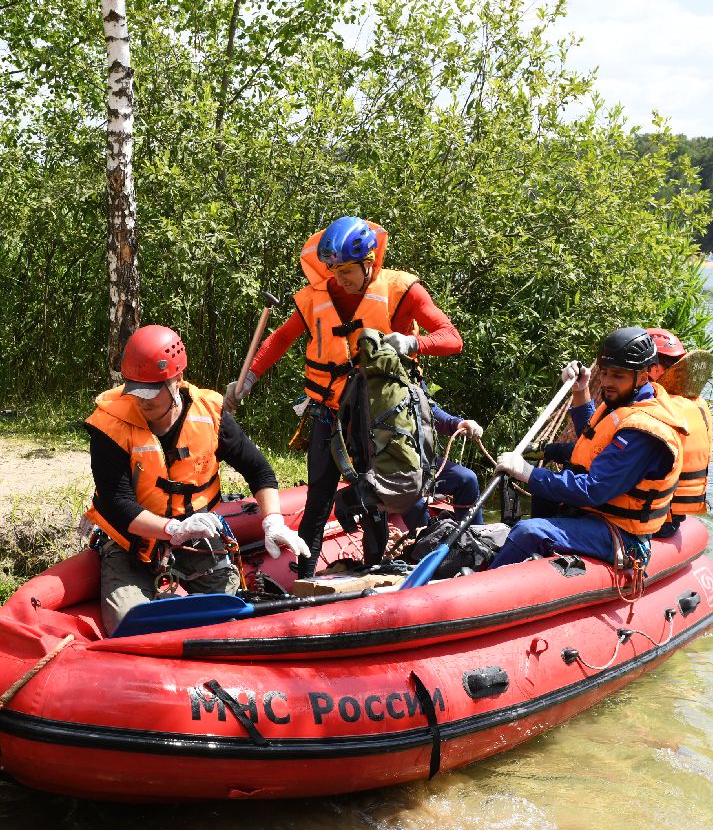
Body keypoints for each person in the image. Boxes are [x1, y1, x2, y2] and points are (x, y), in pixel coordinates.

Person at [225, 217, 463, 576]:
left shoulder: (403, 290)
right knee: (318, 498)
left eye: (347, 270)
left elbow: (451, 337)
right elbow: (280, 339)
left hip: (379, 415)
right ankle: (304, 578)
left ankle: (375, 570)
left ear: (370, 263)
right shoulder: (318, 295)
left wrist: (414, 342)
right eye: (333, 268)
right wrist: (250, 376)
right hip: (327, 410)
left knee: (375, 499)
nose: (339, 277)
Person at [85, 324, 310, 633]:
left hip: (194, 534)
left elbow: (259, 470)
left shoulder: (210, 413)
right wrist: (171, 528)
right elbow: (117, 504)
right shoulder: (109, 424)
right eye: (135, 391)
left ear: (176, 380)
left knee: (225, 614)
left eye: (150, 392)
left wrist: (272, 521)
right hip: (133, 542)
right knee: (128, 624)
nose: (142, 400)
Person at [486, 327, 686, 570]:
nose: (607, 382)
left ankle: (484, 585)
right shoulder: (628, 402)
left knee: (530, 531)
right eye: (605, 373)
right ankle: (524, 564)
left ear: (643, 376)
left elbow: (594, 490)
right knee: (545, 495)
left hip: (623, 535)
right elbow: (591, 440)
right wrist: (580, 391)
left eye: (618, 375)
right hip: (596, 516)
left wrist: (528, 473)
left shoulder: (643, 432)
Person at [645, 327, 712, 535]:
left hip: (653, 520)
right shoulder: (696, 403)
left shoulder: (659, 408)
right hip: (672, 515)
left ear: (655, 369)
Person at [402, 403, 486, 531]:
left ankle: (475, 542)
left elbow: (430, 410)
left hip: (421, 460)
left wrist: (458, 424)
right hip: (387, 466)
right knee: (414, 500)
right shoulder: (366, 387)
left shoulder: (415, 383)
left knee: (467, 479)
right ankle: (424, 543)